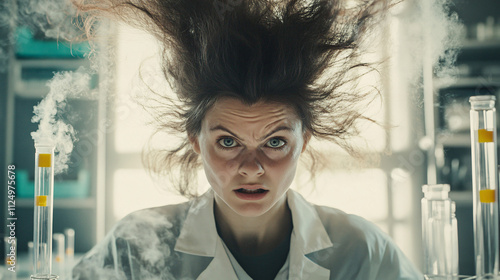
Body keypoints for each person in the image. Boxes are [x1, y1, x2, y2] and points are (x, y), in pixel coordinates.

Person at [71, 0, 424, 279]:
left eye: (274, 143)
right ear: (196, 140)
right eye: (228, 142)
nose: (251, 168)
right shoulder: (133, 247)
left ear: (305, 140)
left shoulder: (362, 253)